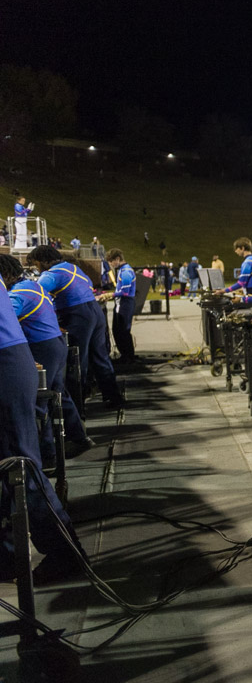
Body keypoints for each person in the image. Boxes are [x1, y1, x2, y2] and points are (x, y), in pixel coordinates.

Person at [0, 277, 89, 583]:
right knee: (7, 469)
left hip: (5, 366)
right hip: (11, 361)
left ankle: (64, 554)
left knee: (20, 466)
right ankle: (7, 557)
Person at [0, 255, 93, 464]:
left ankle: (49, 451)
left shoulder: (18, 295)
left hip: (43, 347)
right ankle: (79, 436)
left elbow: (7, 319)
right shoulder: (31, 286)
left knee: (40, 401)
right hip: (55, 343)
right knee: (59, 394)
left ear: (5, 274)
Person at [26, 245, 122, 410]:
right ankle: (114, 397)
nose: (37, 269)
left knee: (78, 362)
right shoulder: (73, 268)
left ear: (44, 261)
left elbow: (35, 293)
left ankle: (79, 407)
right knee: (100, 356)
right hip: (94, 311)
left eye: (36, 265)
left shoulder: (52, 274)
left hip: (78, 316)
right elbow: (88, 284)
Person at [105, 249, 137, 364]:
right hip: (121, 304)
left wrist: (111, 294)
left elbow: (125, 292)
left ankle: (128, 357)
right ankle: (125, 355)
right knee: (117, 330)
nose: (111, 265)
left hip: (125, 304)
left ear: (117, 259)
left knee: (123, 331)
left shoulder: (126, 272)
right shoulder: (122, 270)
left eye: (111, 262)